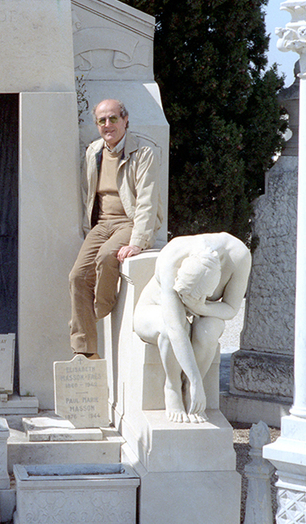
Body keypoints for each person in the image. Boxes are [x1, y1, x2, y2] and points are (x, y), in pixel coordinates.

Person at [69, 99, 163, 357]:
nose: (107, 125)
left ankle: (101, 308)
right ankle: (85, 351)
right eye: (102, 120)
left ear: (125, 120)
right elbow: (88, 193)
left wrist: (138, 241)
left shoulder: (144, 153)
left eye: (113, 118)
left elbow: (147, 200)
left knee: (107, 256)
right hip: (102, 225)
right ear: (97, 124)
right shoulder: (94, 152)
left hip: (129, 221)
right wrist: (88, 229)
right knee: (77, 277)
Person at [133, 233, 251, 423]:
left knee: (211, 328)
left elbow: (230, 308)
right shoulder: (172, 256)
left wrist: (202, 307)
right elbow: (175, 328)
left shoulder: (239, 256)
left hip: (200, 314)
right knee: (168, 328)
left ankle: (189, 387)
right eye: (184, 297)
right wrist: (197, 381)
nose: (187, 303)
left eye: (199, 297)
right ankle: (172, 386)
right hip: (152, 311)